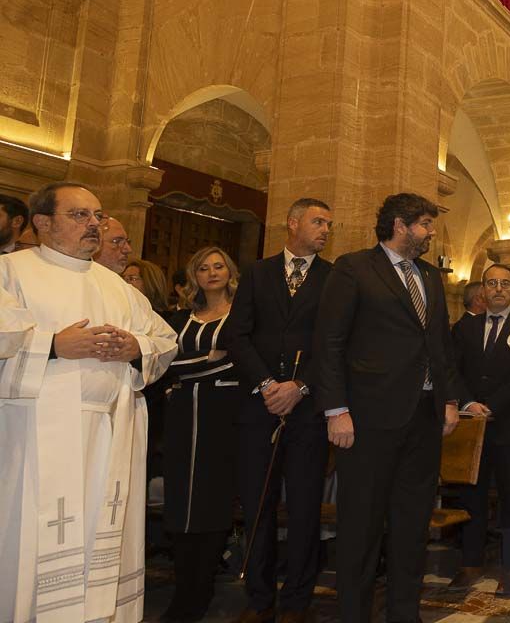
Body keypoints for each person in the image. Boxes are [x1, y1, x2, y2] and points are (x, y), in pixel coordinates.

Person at [0, 182, 177, 623]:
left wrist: (135, 347)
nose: (94, 224)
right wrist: (55, 344)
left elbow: (165, 340)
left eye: (97, 215)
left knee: (102, 532)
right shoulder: (12, 271)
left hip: (111, 434)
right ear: (42, 222)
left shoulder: (116, 287)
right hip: (35, 438)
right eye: (80, 215)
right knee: (33, 539)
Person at [313, 193, 466, 623]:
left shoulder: (431, 276)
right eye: (425, 224)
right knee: (361, 526)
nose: (431, 232)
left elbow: (440, 345)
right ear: (400, 225)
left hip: (422, 418)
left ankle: (404, 613)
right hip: (367, 420)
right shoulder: (354, 268)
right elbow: (329, 342)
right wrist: (335, 409)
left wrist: (449, 398)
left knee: (412, 526)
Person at [225, 199, 334, 623]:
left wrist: (301, 387)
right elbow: (238, 335)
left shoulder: (334, 276)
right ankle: (258, 598)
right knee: (258, 506)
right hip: (258, 408)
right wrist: (269, 385)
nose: (325, 229)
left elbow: (334, 343)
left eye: (329, 224)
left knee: (306, 507)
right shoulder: (257, 272)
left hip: (307, 413)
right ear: (292, 223)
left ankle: (297, 600)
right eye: (318, 221)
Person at [159, 246, 241, 622]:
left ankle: (201, 589)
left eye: (219, 265)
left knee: (210, 502)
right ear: (195, 275)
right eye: (204, 268)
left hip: (223, 419)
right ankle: (184, 587)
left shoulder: (242, 316)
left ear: (230, 271)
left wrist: (190, 371)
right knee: (180, 503)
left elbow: (236, 361)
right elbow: (166, 366)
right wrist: (207, 365)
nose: (212, 273)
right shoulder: (180, 319)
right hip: (181, 419)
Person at [449, 264, 510, 596]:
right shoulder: (465, 327)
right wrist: (468, 403)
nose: (498, 289)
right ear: (482, 289)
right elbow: (451, 369)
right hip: (471, 426)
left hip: (508, 426)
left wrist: (492, 404)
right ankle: (470, 562)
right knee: (472, 498)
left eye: (504, 284)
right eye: (492, 283)